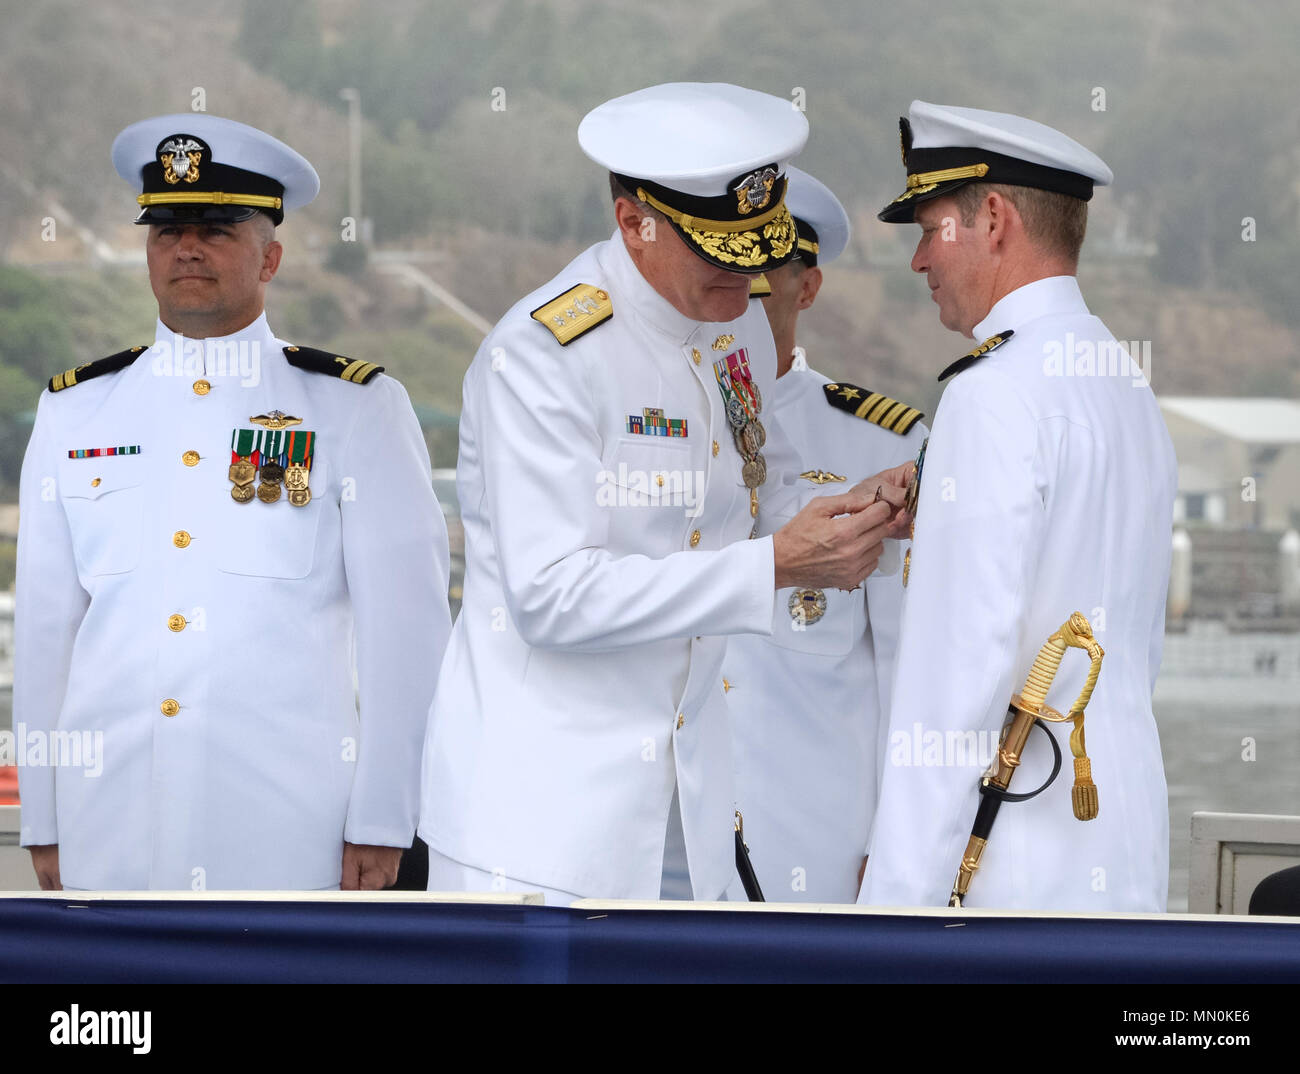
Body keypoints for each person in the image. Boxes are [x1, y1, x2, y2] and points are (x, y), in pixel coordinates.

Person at [419, 83, 910, 905]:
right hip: (541, 826)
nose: (745, 275)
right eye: (719, 249)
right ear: (633, 224)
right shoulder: (544, 356)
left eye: (761, 248)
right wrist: (775, 570)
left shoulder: (736, 329)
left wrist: (866, 511)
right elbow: (551, 597)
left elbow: (766, 497)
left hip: (691, 802)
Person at [14, 114, 451, 890]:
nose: (187, 247)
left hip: (288, 825)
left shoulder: (355, 409)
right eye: (167, 230)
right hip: (110, 821)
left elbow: (406, 633)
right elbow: (48, 629)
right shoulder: (76, 410)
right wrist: (44, 816)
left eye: (216, 229)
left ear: (271, 256)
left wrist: (385, 818)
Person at [859, 101, 1177, 911]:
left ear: (993, 219)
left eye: (931, 229)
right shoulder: (1124, 383)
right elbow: (1136, 648)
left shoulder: (993, 394)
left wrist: (891, 911)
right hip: (1119, 846)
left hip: (1008, 869)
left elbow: (953, 684)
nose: (920, 260)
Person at [724, 166, 927, 903]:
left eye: (760, 276)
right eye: (720, 265)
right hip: (659, 841)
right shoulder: (652, 427)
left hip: (813, 846)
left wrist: (900, 847)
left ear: (807, 288)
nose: (735, 296)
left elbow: (913, 669)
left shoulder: (879, 448)